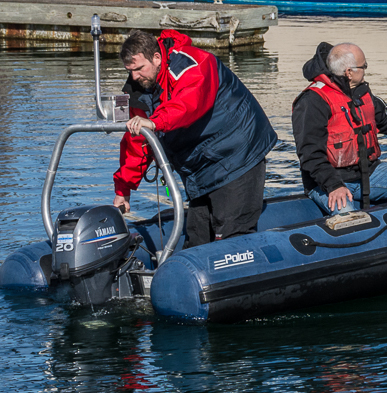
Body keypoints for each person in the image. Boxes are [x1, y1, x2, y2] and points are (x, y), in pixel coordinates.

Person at [112, 28, 278, 245]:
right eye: (130, 70)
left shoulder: (192, 63)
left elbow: (188, 104)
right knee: (198, 238)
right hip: (199, 165)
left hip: (237, 152)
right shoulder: (139, 87)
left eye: (139, 68)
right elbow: (138, 141)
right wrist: (123, 189)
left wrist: (155, 122)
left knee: (233, 233)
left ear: (156, 58)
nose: (134, 76)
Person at [292, 42, 387, 214]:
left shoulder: (361, 92)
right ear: (349, 72)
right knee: (347, 213)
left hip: (366, 174)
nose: (366, 70)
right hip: (326, 182)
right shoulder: (312, 101)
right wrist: (334, 185)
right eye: (364, 66)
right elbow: (309, 153)